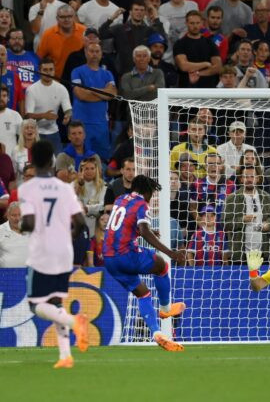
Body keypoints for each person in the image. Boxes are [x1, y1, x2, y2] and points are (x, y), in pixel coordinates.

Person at [18, 140, 89, 368]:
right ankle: (65, 355)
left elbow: (28, 222)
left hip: (42, 253)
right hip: (64, 253)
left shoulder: (27, 188)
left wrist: (23, 225)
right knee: (56, 302)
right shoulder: (65, 188)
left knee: (35, 305)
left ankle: (75, 321)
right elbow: (80, 222)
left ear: (34, 161)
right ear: (51, 161)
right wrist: (67, 237)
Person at [102, 175, 187, 351]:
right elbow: (144, 231)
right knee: (162, 265)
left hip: (109, 259)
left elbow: (120, 225)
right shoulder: (142, 203)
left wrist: (143, 231)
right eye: (152, 194)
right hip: (125, 255)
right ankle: (165, 308)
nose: (151, 197)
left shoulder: (120, 199)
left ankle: (157, 333)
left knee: (143, 293)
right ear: (146, 191)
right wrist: (171, 253)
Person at [71, 42, 117, 161]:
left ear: (101, 54)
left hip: (101, 124)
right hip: (82, 123)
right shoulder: (77, 71)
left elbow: (112, 94)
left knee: (102, 160)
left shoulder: (107, 73)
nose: (94, 54)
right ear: (86, 53)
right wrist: (103, 93)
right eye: (91, 51)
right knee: (81, 160)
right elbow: (80, 95)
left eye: (97, 51)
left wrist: (90, 90)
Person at [223, 165, 270, 265]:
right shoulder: (232, 198)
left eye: (252, 176)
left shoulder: (266, 197)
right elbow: (225, 224)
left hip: (263, 254)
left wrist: (267, 225)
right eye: (246, 176)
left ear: (258, 178)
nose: (249, 179)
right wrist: (242, 220)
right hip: (240, 255)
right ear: (241, 179)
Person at [25, 57, 72, 154]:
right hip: (36, 133)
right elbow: (28, 116)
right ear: (39, 71)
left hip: (54, 132)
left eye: (51, 69)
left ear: (54, 71)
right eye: (45, 70)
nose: (48, 72)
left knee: (57, 164)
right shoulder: (32, 90)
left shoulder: (61, 89)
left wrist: (67, 116)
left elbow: (67, 109)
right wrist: (43, 115)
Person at [37, 5, 85, 79]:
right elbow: (39, 59)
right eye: (62, 17)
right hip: (56, 81)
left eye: (69, 16)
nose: (66, 19)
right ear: (57, 18)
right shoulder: (48, 34)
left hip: (80, 81)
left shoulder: (84, 32)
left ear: (74, 17)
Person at [0, 201, 29, 267]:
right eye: (14, 215)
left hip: (30, 274)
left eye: (20, 215)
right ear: (7, 216)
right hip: (6, 274)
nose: (17, 218)